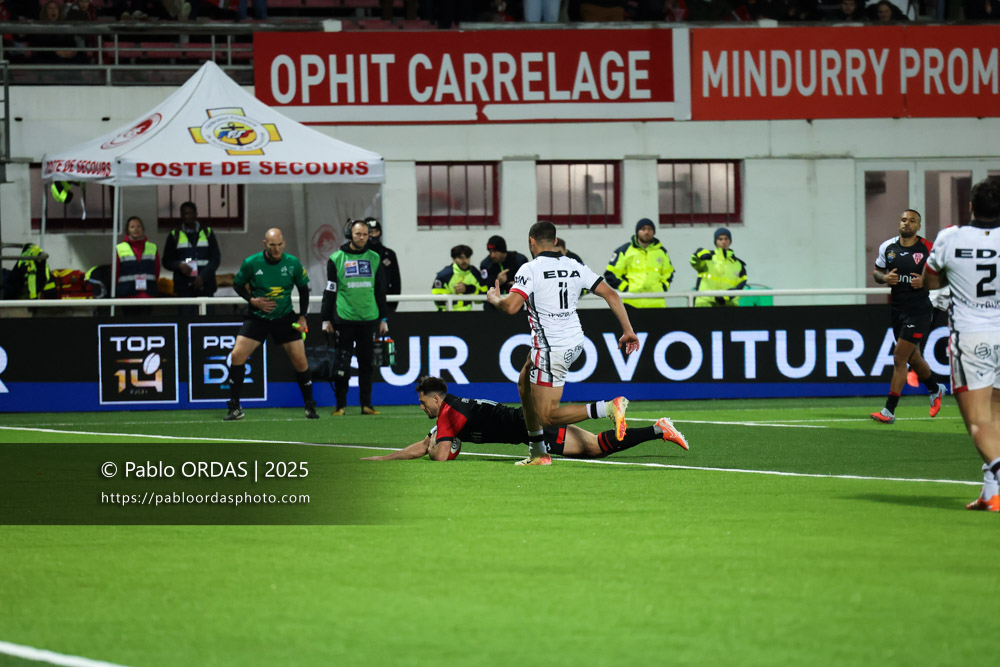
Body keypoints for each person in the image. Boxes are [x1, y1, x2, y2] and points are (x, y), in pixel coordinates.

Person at [487, 220, 641, 466]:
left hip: (551, 348)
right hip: (574, 341)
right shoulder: (574, 265)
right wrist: (628, 331)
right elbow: (611, 294)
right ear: (556, 241)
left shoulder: (530, 269)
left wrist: (495, 298)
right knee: (524, 382)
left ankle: (608, 408)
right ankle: (538, 452)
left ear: (531, 242)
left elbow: (512, 306)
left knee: (547, 416)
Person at [361, 376, 688, 461]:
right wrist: (384, 457)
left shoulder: (450, 415)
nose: (422, 408)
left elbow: (439, 454)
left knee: (597, 448)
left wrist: (439, 448)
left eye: (422, 403)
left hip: (534, 433)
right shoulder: (454, 410)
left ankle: (618, 412)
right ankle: (658, 429)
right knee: (596, 446)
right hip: (528, 427)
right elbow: (424, 445)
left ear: (436, 398)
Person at [923, 178, 1000, 511]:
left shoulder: (950, 237)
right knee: (996, 416)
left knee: (979, 422)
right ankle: (991, 492)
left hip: (972, 337)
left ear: (970, 206)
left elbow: (930, 279)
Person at [225, 228, 316, 422]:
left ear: (284, 243)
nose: (277, 249)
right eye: (272, 245)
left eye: (280, 245)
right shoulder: (251, 263)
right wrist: (252, 300)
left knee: (301, 361)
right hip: (258, 317)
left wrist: (302, 317)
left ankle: (309, 406)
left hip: (285, 317)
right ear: (264, 243)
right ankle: (234, 406)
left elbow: (303, 290)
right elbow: (238, 285)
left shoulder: (292, 263)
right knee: (236, 355)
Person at [869, 209, 943, 424]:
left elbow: (946, 278)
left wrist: (925, 282)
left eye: (912, 221)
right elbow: (876, 272)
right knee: (913, 357)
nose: (906, 223)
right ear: (898, 222)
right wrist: (885, 278)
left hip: (919, 310)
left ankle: (888, 411)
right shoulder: (888, 247)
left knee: (900, 357)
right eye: (903, 220)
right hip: (897, 310)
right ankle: (934, 388)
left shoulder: (929, 249)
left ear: (918, 226)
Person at [321, 219, 390, 416]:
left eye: (365, 234)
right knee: (342, 363)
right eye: (358, 234)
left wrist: (383, 318)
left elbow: (380, 290)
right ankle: (340, 405)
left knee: (367, 364)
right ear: (350, 234)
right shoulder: (336, 258)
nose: (362, 238)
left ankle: (366, 405)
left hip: (369, 319)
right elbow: (330, 290)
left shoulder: (375, 258)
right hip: (343, 318)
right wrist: (326, 318)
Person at [161, 201, 221, 314]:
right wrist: (179, 265)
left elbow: (215, 258)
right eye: (184, 213)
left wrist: (203, 277)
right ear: (181, 215)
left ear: (196, 214)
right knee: (186, 322)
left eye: (190, 213)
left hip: (206, 285)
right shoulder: (175, 234)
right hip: (184, 287)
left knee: (208, 322)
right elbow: (166, 260)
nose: (187, 216)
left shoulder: (207, 232)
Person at [604, 218, 675, 309]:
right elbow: (611, 274)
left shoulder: (661, 252)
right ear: (637, 232)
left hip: (656, 303)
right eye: (643, 229)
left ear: (653, 232)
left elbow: (669, 273)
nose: (646, 232)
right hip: (632, 302)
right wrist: (626, 288)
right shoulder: (625, 251)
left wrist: (663, 287)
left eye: (650, 229)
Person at [690, 227, 748, 307]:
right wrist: (697, 254)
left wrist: (727, 296)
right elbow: (695, 263)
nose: (723, 242)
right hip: (705, 303)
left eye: (726, 239)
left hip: (728, 305)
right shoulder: (707, 258)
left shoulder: (738, 264)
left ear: (730, 241)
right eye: (720, 239)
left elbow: (741, 286)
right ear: (715, 241)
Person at [479, 235, 528, 310]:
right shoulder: (486, 265)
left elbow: (528, 283)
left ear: (503, 251)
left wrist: (516, 284)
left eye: (494, 251)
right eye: (490, 252)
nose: (492, 255)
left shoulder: (519, 261)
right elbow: (483, 288)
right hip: (492, 309)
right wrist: (497, 282)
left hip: (514, 307)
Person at [115, 215, 159, 299]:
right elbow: (115, 273)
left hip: (148, 293)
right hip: (126, 294)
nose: (136, 229)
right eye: (132, 227)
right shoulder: (120, 248)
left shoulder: (152, 247)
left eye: (139, 226)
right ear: (127, 230)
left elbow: (156, 271)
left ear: (143, 229)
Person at [365, 217, 401, 314]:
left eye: (376, 231)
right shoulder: (359, 255)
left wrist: (393, 304)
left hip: (386, 303)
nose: (374, 235)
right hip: (365, 303)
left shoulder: (389, 254)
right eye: (370, 232)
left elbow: (396, 282)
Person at [432, 244, 484, 311]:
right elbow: (438, 300)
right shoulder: (444, 275)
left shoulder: (474, 273)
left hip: (468, 315)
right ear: (453, 259)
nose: (464, 261)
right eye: (461, 257)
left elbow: (483, 297)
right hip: (446, 315)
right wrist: (456, 295)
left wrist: (468, 289)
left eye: (467, 257)